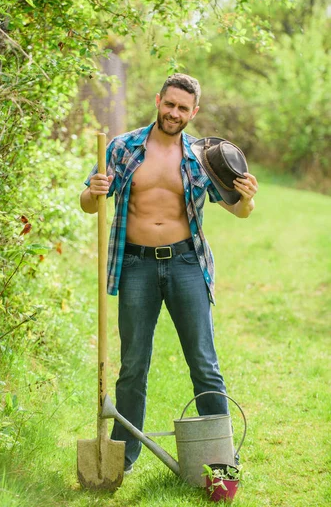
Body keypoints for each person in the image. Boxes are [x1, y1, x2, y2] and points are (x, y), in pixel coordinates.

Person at [80, 73, 258, 473]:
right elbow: (88, 204)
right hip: (136, 265)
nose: (174, 113)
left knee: (203, 361)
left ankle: (219, 458)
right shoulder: (122, 147)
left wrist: (247, 200)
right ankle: (122, 458)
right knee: (133, 366)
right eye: (169, 104)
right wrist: (93, 191)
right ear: (158, 100)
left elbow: (237, 210)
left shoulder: (201, 156)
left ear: (193, 112)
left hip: (185, 264)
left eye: (183, 108)